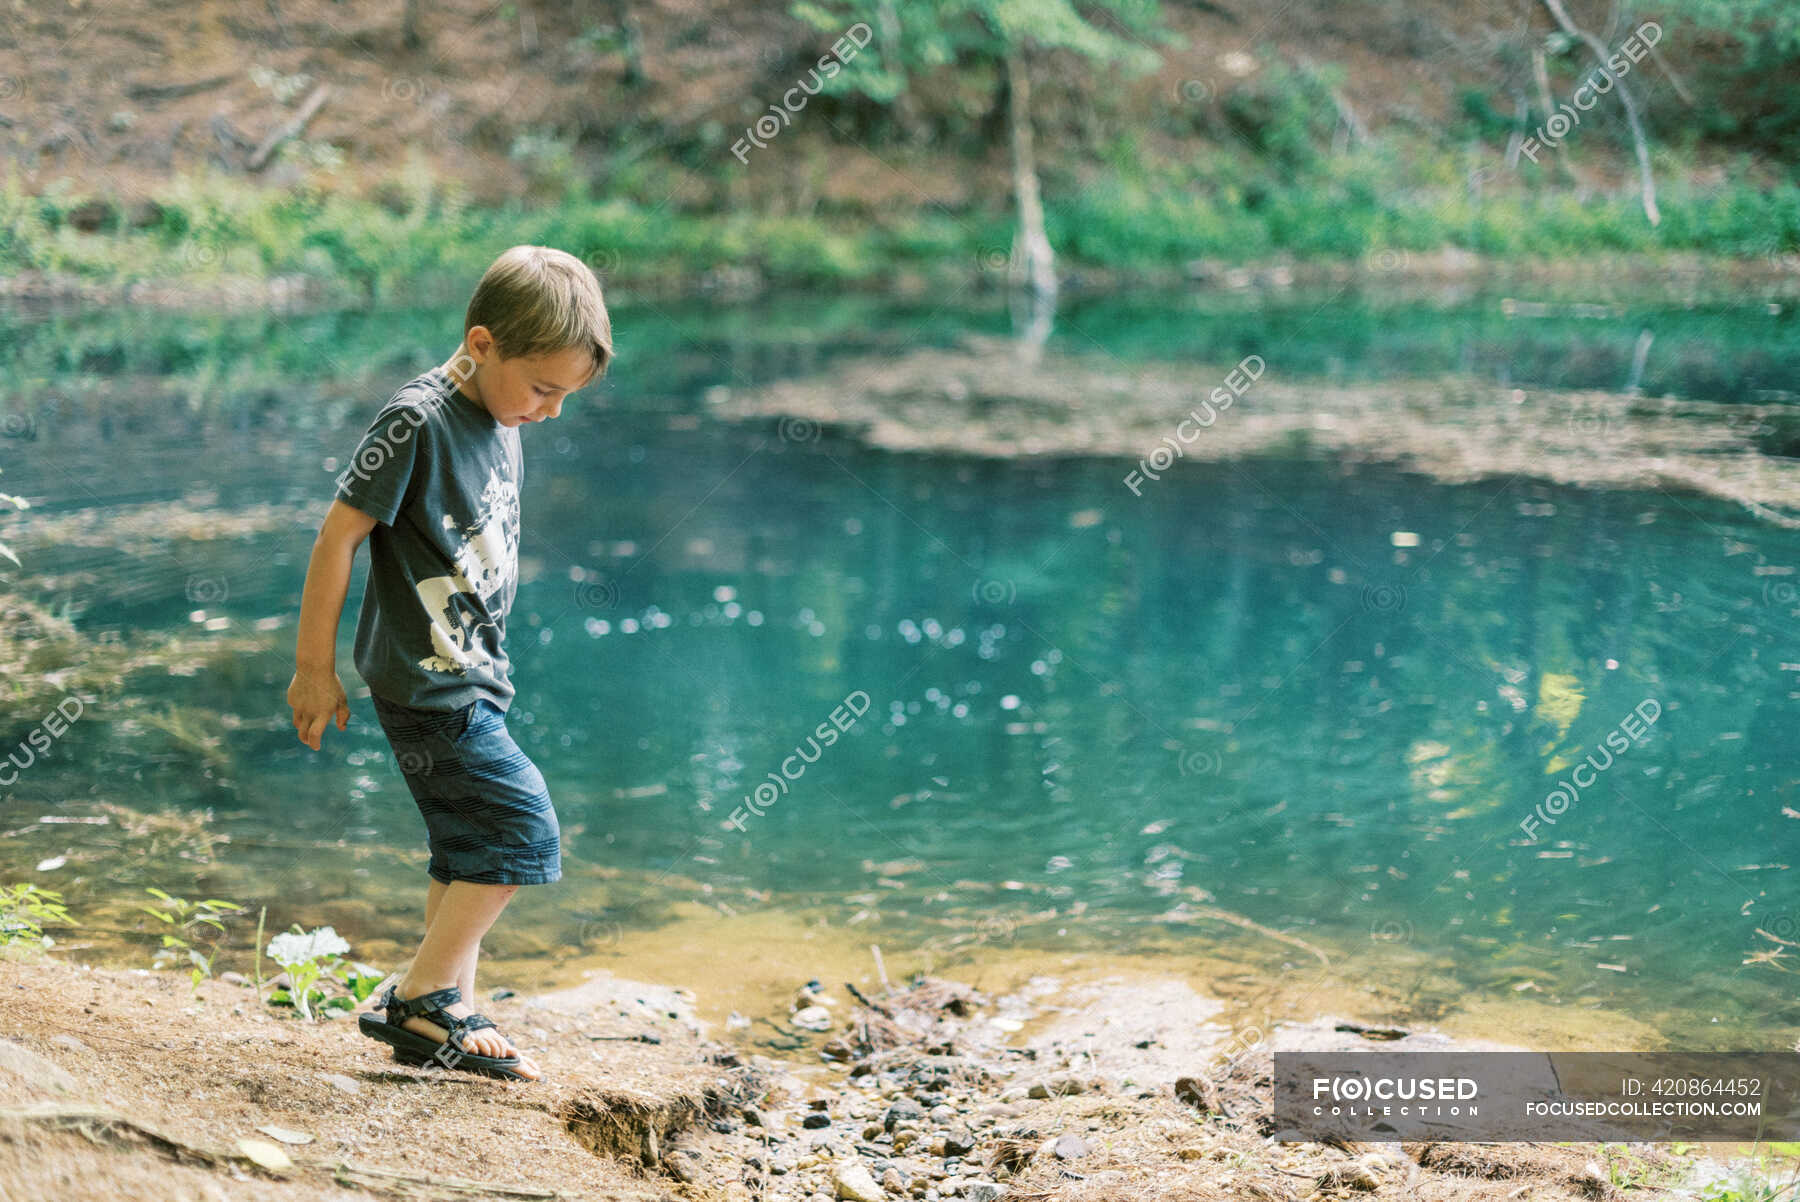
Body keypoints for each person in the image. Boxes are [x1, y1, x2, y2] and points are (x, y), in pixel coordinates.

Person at [286, 245, 613, 1081]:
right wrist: (312, 671)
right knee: (521, 828)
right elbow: (338, 538)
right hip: (429, 684)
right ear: (483, 342)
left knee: (467, 842)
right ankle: (418, 997)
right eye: (544, 389)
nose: (551, 412)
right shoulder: (415, 421)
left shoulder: (501, 418)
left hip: (473, 675)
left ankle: (445, 1010)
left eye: (565, 397)